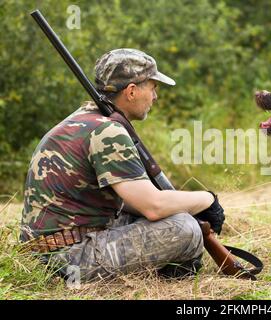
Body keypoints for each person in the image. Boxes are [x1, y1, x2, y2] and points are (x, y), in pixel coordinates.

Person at [20, 48, 225, 282]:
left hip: (43, 252)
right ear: (131, 91)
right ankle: (169, 271)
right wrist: (207, 199)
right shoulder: (108, 131)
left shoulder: (82, 120)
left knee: (171, 218)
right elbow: (153, 205)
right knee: (184, 229)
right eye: (153, 87)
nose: (155, 96)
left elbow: (129, 200)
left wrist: (184, 205)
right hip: (67, 259)